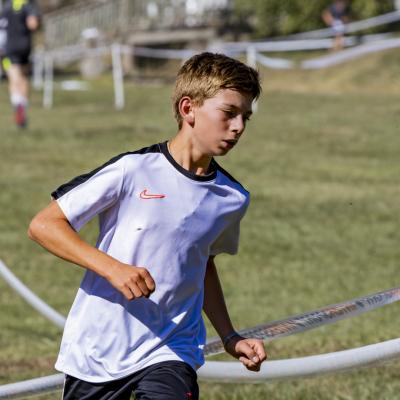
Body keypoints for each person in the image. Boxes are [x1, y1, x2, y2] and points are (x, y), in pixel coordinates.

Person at [28, 52, 267, 400]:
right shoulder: (133, 170)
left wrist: (230, 336)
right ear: (188, 108)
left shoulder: (232, 197)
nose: (239, 126)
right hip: (100, 347)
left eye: (245, 116)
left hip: (172, 348)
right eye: (229, 113)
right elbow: (44, 225)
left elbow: (202, 263)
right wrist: (112, 268)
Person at [2, 0, 40, 128]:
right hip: (25, 47)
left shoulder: (6, 6)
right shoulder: (28, 4)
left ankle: (17, 104)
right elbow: (33, 24)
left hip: (9, 48)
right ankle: (23, 106)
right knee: (23, 77)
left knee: (14, 78)